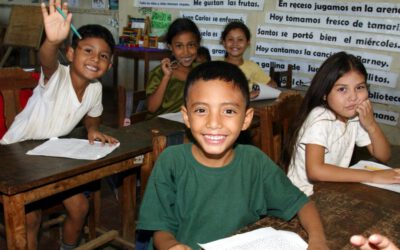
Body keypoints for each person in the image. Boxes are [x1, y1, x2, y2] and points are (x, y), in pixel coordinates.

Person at [137, 61, 328, 250]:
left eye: (228, 111)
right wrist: (172, 246)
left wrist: (318, 242)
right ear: (187, 117)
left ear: (246, 119)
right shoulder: (171, 162)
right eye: (201, 110)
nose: (214, 123)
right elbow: (159, 229)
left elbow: (301, 204)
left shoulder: (254, 161)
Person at [1, 0, 118, 249]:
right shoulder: (57, 76)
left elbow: (93, 114)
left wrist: (92, 128)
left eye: (103, 56)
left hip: (50, 155)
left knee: (80, 207)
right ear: (71, 53)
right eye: (88, 51)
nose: (95, 59)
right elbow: (47, 59)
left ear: (109, 64)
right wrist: (52, 41)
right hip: (15, 154)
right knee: (29, 219)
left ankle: (68, 247)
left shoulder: (95, 89)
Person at [284, 51, 400, 197]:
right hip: (302, 197)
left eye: (359, 87)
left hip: (330, 191)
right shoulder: (320, 118)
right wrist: (372, 176)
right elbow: (315, 171)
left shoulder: (354, 117)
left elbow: (384, 156)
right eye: (342, 89)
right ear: (325, 93)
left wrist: (371, 125)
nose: (353, 97)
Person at [146, 18, 201, 119]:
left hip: (189, 123)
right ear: (170, 47)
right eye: (179, 46)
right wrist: (166, 77)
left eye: (191, 45)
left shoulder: (201, 72)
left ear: (198, 45)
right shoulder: (160, 72)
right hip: (161, 125)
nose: (186, 52)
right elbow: (151, 108)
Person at [220, 21, 277, 99]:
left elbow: (272, 85)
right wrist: (246, 96)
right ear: (223, 42)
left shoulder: (252, 67)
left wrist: (259, 92)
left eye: (240, 39)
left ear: (248, 42)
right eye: (230, 39)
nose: (235, 43)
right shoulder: (215, 66)